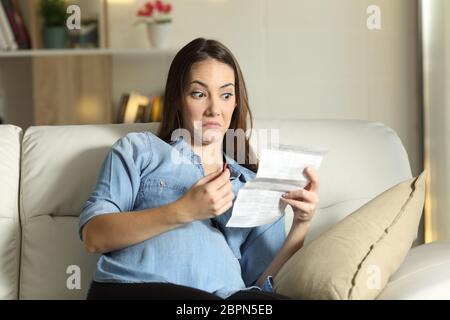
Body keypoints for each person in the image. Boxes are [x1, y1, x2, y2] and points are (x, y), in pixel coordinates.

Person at [79, 38, 320, 300]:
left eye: (226, 95)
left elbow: (262, 282)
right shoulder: (141, 149)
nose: (214, 109)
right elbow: (95, 235)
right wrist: (183, 210)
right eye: (199, 94)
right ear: (178, 99)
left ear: (236, 102)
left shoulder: (255, 185)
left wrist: (300, 225)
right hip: (135, 288)